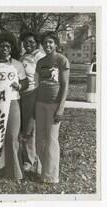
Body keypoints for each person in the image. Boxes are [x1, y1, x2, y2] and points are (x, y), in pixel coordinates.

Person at [0, 32, 28, 182]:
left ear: (11, 49)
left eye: (7, 46)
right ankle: (0, 169)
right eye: (1, 46)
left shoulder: (17, 64)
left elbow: (26, 83)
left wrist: (19, 86)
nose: (4, 48)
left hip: (12, 103)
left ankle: (15, 172)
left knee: (12, 137)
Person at [35, 31, 70, 183]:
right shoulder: (40, 62)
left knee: (51, 139)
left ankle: (51, 176)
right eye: (45, 43)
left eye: (50, 42)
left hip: (54, 104)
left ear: (56, 44)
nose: (47, 45)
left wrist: (60, 108)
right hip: (40, 103)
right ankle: (43, 169)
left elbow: (65, 85)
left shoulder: (62, 60)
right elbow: (36, 84)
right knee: (40, 140)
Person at [19, 32, 45, 174]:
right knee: (23, 128)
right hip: (21, 95)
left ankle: (30, 162)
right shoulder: (23, 57)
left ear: (37, 43)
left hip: (33, 93)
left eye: (31, 42)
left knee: (30, 129)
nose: (28, 45)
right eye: (25, 42)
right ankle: (26, 158)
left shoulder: (40, 57)